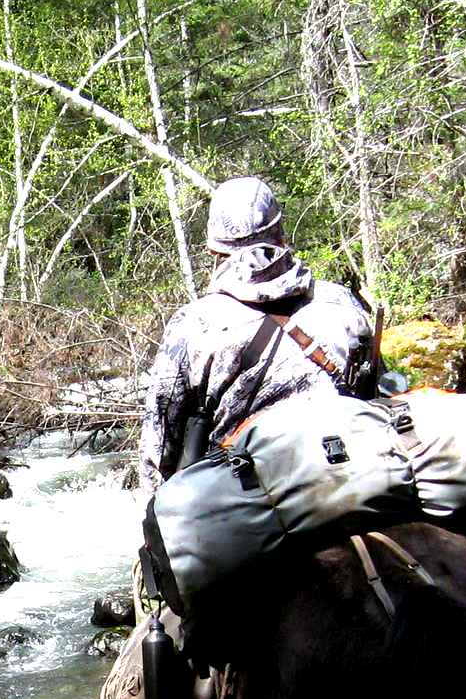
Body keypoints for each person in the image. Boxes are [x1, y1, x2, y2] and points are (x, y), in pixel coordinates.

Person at [139, 176, 378, 492]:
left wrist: (154, 524)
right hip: (355, 476)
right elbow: (374, 396)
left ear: (214, 248)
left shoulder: (193, 324)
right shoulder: (341, 300)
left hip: (252, 501)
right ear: (280, 233)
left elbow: (159, 450)